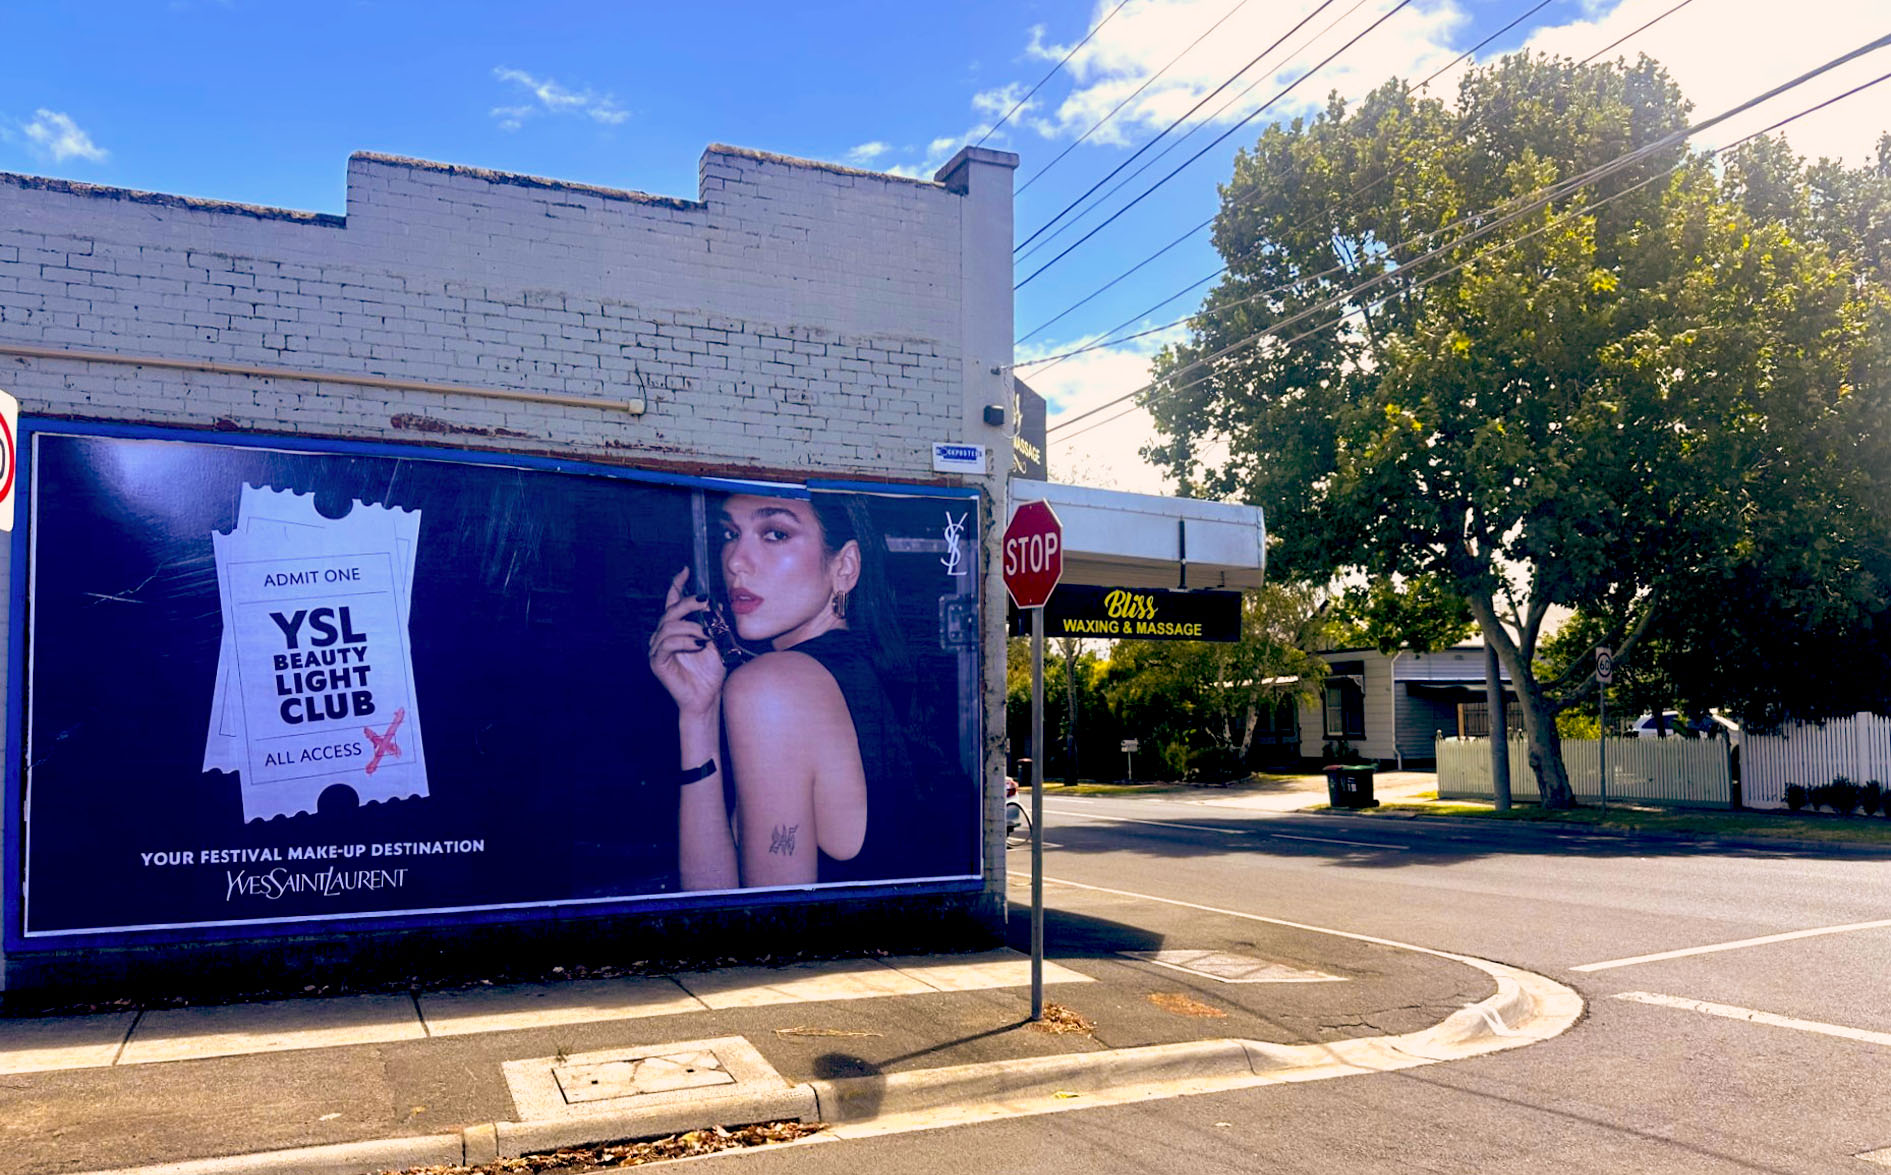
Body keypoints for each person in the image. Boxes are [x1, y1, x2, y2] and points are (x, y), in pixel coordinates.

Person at [647, 492, 932, 889]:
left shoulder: (774, 687)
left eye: (775, 534)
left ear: (845, 567)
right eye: (730, 533)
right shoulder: (872, 672)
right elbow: (721, 897)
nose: (734, 561)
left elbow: (754, 930)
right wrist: (698, 714)